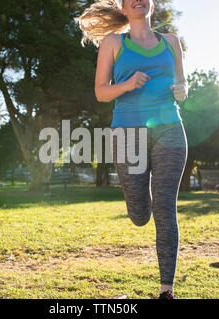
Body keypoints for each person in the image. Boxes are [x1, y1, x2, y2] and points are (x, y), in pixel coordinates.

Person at [77, 0, 188, 299]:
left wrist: (182, 90)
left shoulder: (172, 42)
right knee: (140, 214)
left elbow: (183, 83)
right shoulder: (114, 43)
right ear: (124, 8)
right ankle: (143, 199)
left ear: (151, 5)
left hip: (169, 127)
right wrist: (126, 85)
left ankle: (167, 290)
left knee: (165, 207)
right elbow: (101, 91)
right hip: (128, 133)